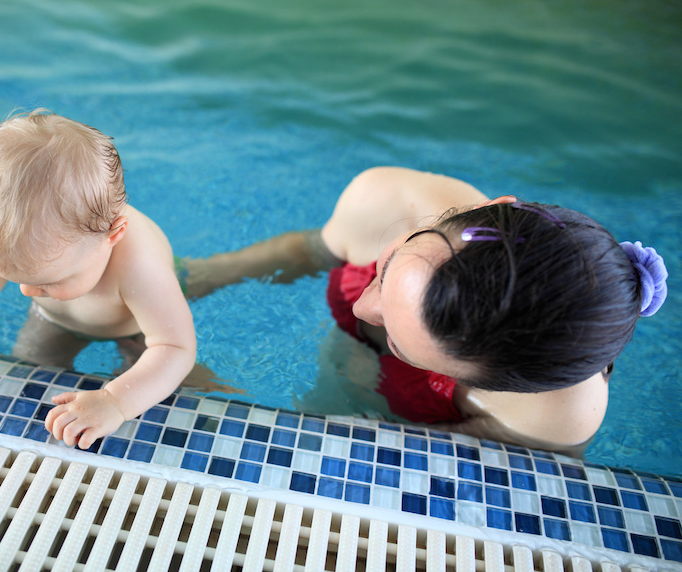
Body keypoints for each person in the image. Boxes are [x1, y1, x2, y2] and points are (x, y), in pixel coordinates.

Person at [184, 166, 668, 455]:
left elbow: (429, 470)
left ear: (490, 382)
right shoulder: (389, 199)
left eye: (399, 340)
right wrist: (197, 277)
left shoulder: (553, 416)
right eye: (386, 267)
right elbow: (308, 251)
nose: (361, 304)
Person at [0, 110, 198, 450]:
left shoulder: (140, 268)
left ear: (113, 234)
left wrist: (115, 401)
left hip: (135, 326)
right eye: (12, 276)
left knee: (179, 390)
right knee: (29, 371)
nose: (27, 291)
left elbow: (175, 347)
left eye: (49, 280)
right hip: (56, 322)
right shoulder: (11, 239)